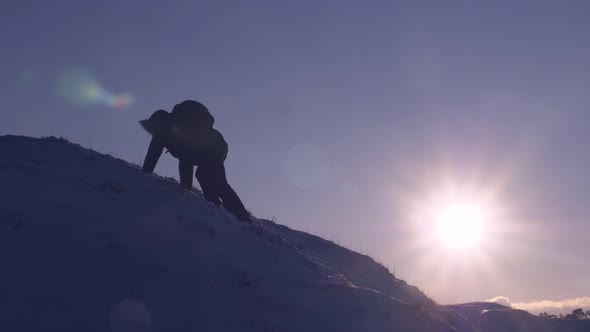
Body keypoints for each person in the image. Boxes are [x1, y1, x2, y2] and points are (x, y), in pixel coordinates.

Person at [140, 100, 250, 222]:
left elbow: (178, 158)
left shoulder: (172, 130)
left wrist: (185, 188)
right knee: (204, 175)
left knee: (217, 184)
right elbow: (178, 157)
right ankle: (217, 208)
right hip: (213, 147)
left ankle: (243, 217)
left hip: (213, 148)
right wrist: (185, 189)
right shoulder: (169, 131)